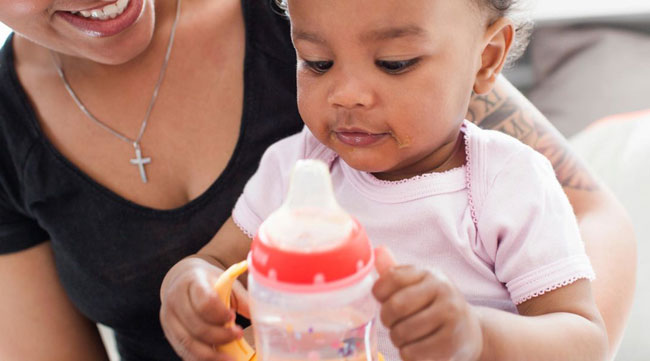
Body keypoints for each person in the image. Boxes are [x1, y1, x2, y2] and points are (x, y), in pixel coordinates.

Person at [0, 0, 634, 360]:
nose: (347, 95)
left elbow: (579, 337)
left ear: (487, 58)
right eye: (316, 62)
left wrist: (476, 336)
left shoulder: (505, 180)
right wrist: (187, 285)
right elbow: (219, 259)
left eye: (394, 63)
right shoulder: (298, 167)